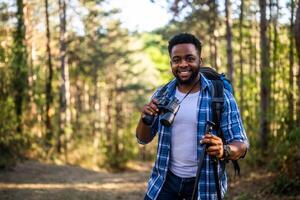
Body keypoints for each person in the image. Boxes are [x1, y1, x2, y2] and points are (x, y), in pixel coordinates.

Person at [136, 33, 248, 200]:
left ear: (199, 61)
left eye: (189, 58)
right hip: (164, 182)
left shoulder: (221, 97)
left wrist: (224, 150)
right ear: (171, 63)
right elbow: (142, 139)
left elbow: (242, 144)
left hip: (205, 184)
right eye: (177, 60)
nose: (183, 64)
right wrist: (145, 118)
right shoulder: (161, 94)